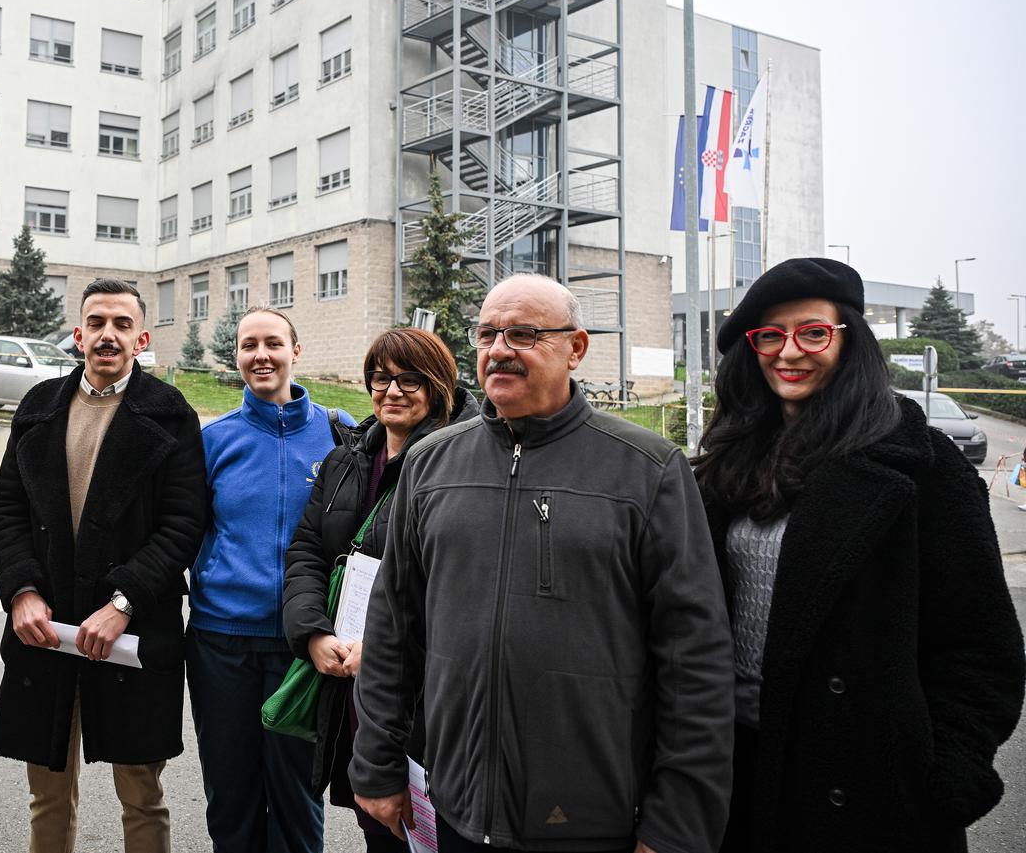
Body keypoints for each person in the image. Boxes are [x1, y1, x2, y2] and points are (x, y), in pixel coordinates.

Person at [351, 273, 734, 853]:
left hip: (593, 819)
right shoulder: (431, 465)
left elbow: (695, 658)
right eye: (486, 334)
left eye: (525, 334)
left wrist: (678, 822)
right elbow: (392, 627)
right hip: (457, 808)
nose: (499, 350)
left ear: (576, 348)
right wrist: (376, 764)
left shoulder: (647, 470)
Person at [695, 257, 1024, 853]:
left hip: (867, 783)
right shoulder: (728, 464)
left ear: (850, 339)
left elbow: (982, 648)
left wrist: (946, 775)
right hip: (737, 763)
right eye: (770, 335)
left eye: (812, 332)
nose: (788, 352)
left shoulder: (922, 466)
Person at [0, 279, 208, 853]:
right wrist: (22, 591)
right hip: (48, 627)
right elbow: (7, 508)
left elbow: (184, 523)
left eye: (121, 324)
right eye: (97, 323)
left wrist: (123, 602)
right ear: (78, 334)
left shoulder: (170, 413)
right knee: (48, 793)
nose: (108, 335)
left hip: (132, 631)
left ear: (141, 339)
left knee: (141, 793)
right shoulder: (38, 407)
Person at [282, 327, 475, 851]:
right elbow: (306, 552)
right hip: (345, 673)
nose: (392, 390)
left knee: (428, 826)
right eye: (381, 377)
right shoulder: (346, 459)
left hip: (420, 689)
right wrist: (312, 634)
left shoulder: (464, 462)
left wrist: (386, 647)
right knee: (377, 822)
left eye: (410, 380)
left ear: (439, 385)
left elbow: (465, 580)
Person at [189, 306, 356, 853]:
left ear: (295, 351)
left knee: (297, 795)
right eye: (248, 345)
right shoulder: (216, 440)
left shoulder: (340, 434)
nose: (260, 355)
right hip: (221, 640)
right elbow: (190, 530)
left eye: (273, 343)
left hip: (302, 644)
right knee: (230, 793)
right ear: (236, 356)